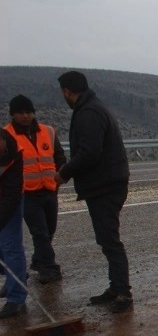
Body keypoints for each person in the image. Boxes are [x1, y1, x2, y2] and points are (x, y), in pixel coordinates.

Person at [55, 70, 133, 314]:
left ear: (67, 91)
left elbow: (89, 152)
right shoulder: (92, 107)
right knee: (106, 238)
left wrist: (64, 173)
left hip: (106, 186)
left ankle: (122, 292)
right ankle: (115, 287)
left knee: (110, 240)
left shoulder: (89, 112)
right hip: (107, 183)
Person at [5, 95, 66, 284]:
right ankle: (50, 268)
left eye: (28, 112)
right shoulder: (6, 135)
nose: (25, 116)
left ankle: (38, 260)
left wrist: (58, 177)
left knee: (49, 230)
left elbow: (59, 157)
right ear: (13, 114)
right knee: (39, 231)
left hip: (49, 189)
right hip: (26, 193)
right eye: (20, 113)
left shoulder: (47, 132)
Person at [0, 126, 28, 317]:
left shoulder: (14, 153)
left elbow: (11, 193)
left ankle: (16, 299)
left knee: (11, 246)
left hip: (8, 202)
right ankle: (13, 279)